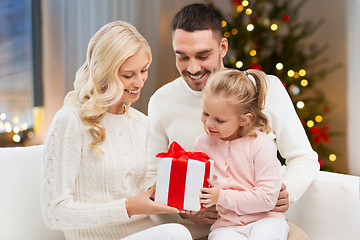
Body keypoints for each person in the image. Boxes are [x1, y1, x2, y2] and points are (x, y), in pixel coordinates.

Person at [146, 3, 319, 239]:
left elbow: (304, 157)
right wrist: (185, 213)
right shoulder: (161, 101)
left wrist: (285, 191)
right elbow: (152, 177)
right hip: (203, 231)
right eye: (182, 57)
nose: (192, 67)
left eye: (203, 55)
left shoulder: (266, 88)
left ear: (222, 47)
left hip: (263, 220)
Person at [40, 21, 192, 240]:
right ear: (104, 73)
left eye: (144, 70)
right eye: (128, 75)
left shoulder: (141, 123)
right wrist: (128, 208)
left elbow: (140, 191)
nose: (139, 82)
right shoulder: (70, 120)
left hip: (145, 232)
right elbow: (54, 213)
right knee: (176, 234)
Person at [194, 68, 289, 239]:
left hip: (266, 220)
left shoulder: (261, 144)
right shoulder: (202, 144)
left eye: (219, 120)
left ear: (245, 119)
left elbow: (267, 198)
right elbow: (197, 190)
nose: (209, 124)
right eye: (205, 114)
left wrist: (221, 197)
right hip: (225, 227)